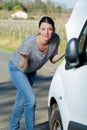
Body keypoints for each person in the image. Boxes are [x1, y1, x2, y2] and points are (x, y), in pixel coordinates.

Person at [8, 16, 65, 130]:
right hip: (17, 69)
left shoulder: (55, 39)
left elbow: (53, 58)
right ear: (39, 29)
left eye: (49, 29)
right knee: (30, 100)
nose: (46, 32)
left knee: (21, 101)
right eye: (43, 29)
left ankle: (13, 128)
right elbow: (22, 67)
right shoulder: (30, 42)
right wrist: (25, 58)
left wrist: (65, 52)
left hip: (31, 71)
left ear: (53, 30)